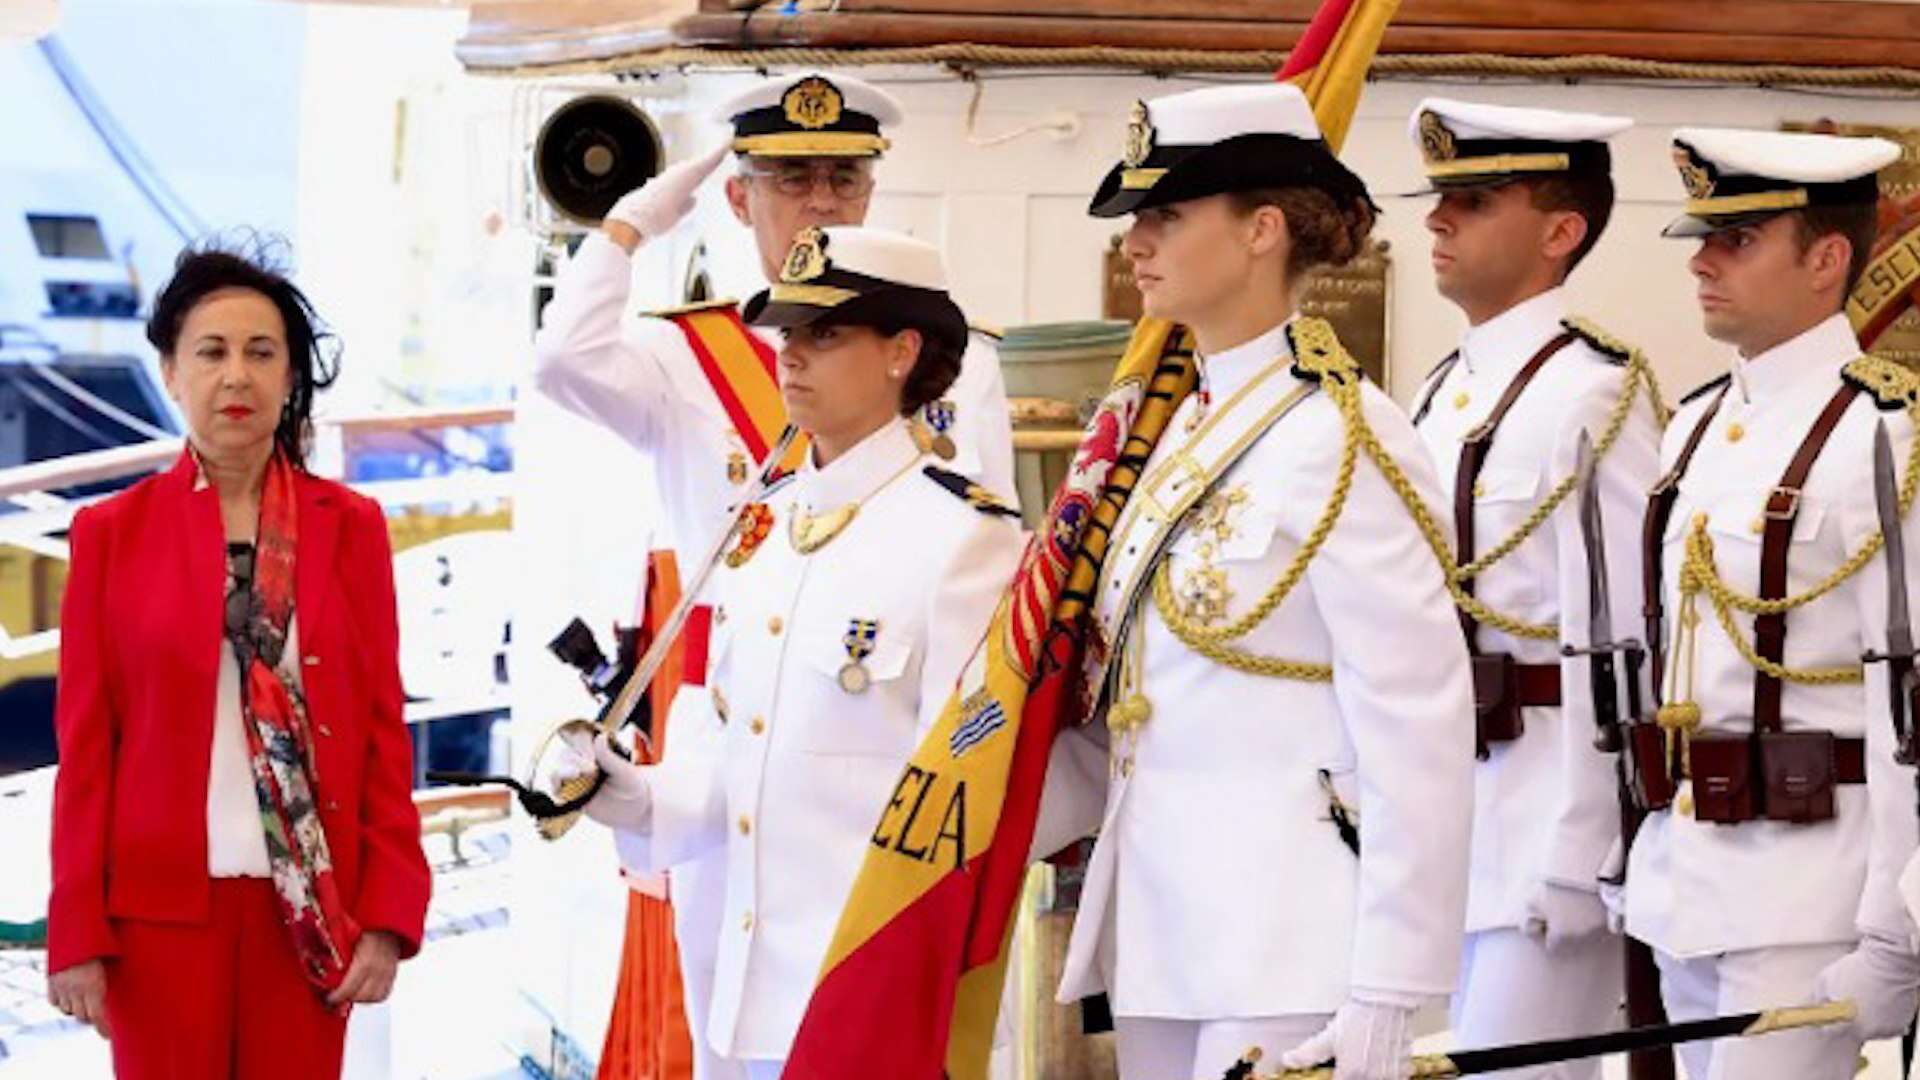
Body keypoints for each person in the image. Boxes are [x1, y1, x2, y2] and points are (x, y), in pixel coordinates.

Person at [530, 71, 1013, 1080]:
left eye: (845, 178)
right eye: (794, 180)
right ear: (741, 198)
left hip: (872, 716)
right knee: (720, 997)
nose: (824, 200)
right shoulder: (686, 352)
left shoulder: (960, 368)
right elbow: (563, 360)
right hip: (725, 704)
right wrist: (627, 226)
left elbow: (983, 602)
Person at [1037, 82, 1476, 1080]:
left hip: (1290, 936)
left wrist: (1392, 985)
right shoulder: (1172, 436)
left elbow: (1418, 717)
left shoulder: (1347, 435)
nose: (1136, 242)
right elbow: (1135, 705)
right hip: (1161, 927)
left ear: (1261, 231)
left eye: (1166, 215)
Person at [44, 241, 431, 1079]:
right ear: (171, 372)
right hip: (156, 919)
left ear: (291, 375)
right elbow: (86, 751)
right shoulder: (111, 536)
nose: (237, 377)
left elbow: (379, 731)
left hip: (315, 912)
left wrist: (390, 912)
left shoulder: (350, 527)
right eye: (211, 352)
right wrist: (76, 929)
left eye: (262, 353)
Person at [1619, 126, 1917, 1079]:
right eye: (1706, 235)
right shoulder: (1696, 425)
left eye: (1739, 238)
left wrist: (1898, 931)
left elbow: (1908, 704)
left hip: (1811, 900)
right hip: (1682, 882)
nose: (1703, 259)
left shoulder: (1885, 436)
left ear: (1827, 258)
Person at [1406, 99, 1664, 1078]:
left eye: (1471, 201)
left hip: (1543, 819)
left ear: (1561, 232)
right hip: (1451, 810)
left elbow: (1631, 636)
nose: (1438, 220)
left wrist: (1589, 842)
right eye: (1440, 200)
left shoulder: (1595, 391)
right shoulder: (1441, 389)